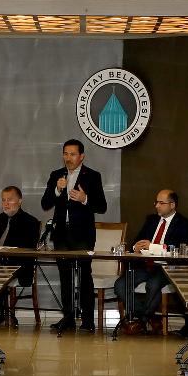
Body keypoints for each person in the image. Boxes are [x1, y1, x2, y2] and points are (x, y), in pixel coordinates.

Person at [40, 139, 107, 333]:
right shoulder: (56, 175)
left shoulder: (92, 176)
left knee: (85, 276)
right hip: (61, 234)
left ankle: (88, 321)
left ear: (81, 156)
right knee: (65, 277)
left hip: (83, 235)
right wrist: (57, 190)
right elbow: (45, 204)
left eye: (72, 154)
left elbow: (102, 206)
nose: (68, 158)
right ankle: (68, 318)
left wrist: (85, 199)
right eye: (65, 154)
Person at [115, 190, 188, 333]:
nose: (157, 206)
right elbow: (137, 241)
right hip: (144, 265)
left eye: (161, 203)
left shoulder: (184, 223)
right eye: (156, 202)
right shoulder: (151, 220)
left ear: (172, 205)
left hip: (166, 268)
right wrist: (135, 247)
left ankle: (140, 322)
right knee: (120, 285)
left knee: (153, 285)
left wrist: (151, 246)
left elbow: (176, 248)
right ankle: (149, 317)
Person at [0, 186, 42, 284]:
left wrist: (1, 259)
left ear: (19, 201)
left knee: (0, 275)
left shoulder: (30, 221)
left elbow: (29, 250)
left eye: (9, 200)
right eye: (3, 200)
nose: (6, 204)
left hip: (16, 266)